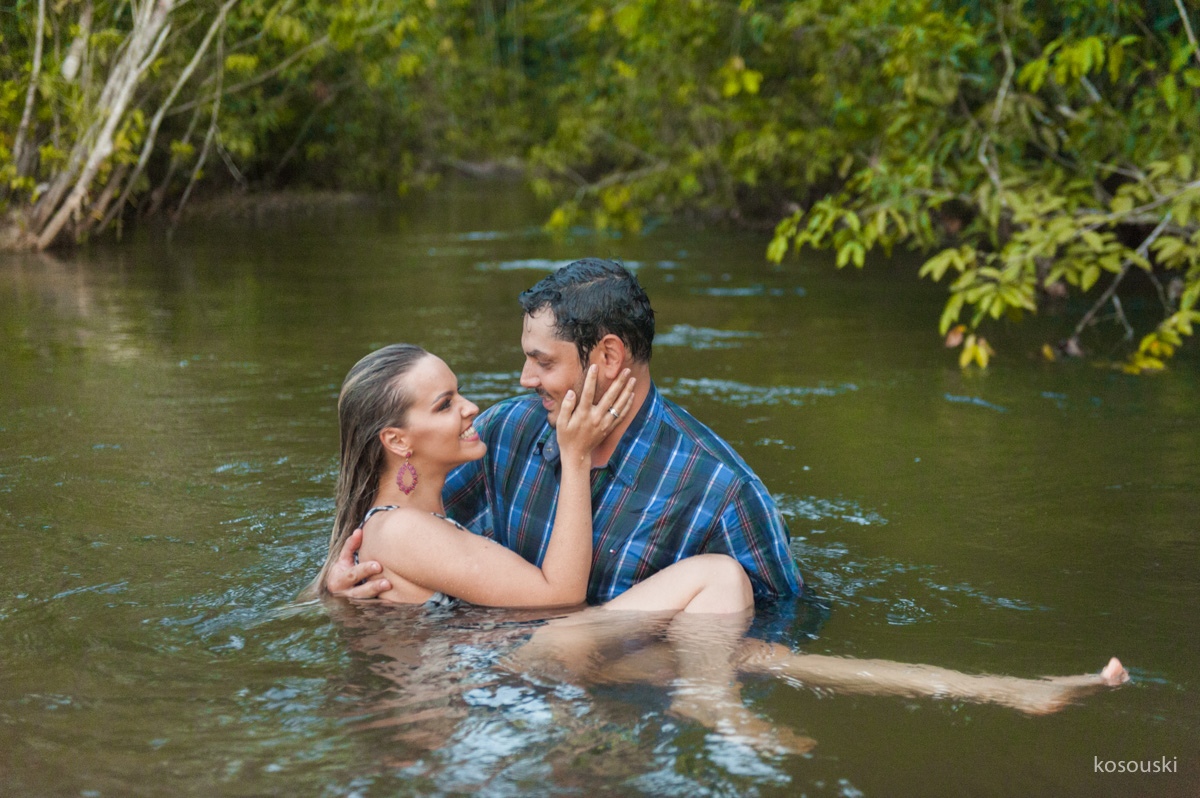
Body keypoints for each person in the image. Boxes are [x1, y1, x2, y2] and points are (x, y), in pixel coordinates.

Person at [308, 343, 1129, 753]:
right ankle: (709, 701)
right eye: (449, 402)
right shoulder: (405, 528)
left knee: (763, 659)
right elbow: (560, 594)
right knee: (714, 575)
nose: (474, 408)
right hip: (508, 671)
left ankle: (1007, 692)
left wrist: (326, 591)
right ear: (398, 440)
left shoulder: (394, 527)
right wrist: (570, 457)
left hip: (506, 662)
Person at [326, 258, 801, 603]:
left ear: (609, 357)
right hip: (514, 690)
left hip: (633, 703)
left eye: (543, 361)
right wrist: (338, 584)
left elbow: (781, 628)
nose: (525, 379)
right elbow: (403, 514)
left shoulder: (721, 492)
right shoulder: (506, 431)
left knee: (719, 580)